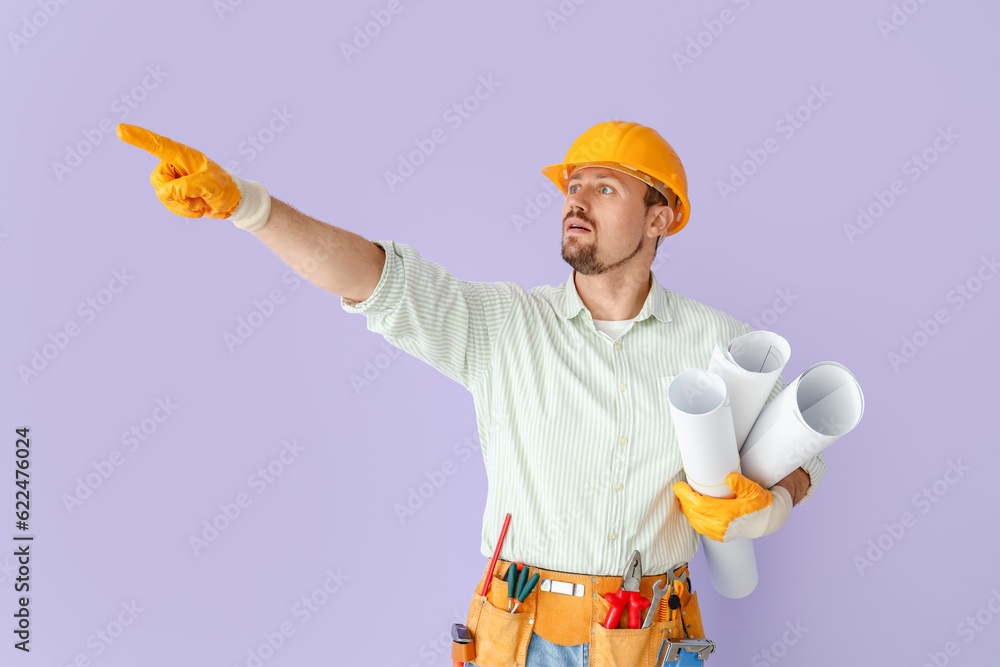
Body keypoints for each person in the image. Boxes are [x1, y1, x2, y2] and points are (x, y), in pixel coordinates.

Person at [117, 120, 825, 667]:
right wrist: (249, 205)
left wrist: (773, 505)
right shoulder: (503, 325)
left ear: (660, 216)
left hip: (650, 634)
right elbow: (371, 276)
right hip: (518, 632)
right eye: (572, 186)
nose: (575, 201)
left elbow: (805, 450)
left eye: (604, 187)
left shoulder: (723, 345)